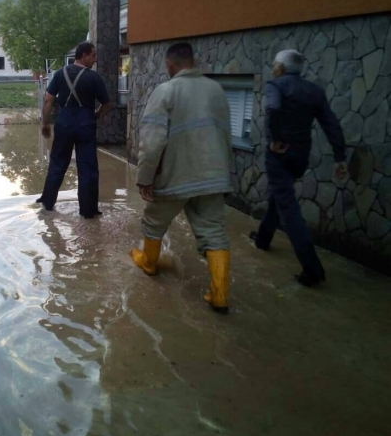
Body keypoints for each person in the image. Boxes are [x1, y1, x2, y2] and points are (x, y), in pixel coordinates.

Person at [130, 42, 233, 314]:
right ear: (193, 61)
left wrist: (145, 177)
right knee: (213, 231)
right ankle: (219, 294)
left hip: (176, 176)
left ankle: (149, 264)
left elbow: (152, 141)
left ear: (169, 64)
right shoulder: (217, 90)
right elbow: (225, 134)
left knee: (153, 221)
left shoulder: (166, 91)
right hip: (213, 176)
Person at [250, 49, 347, 287]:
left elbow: (272, 109)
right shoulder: (314, 91)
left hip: (279, 154)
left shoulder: (277, 86)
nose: (273, 68)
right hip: (300, 157)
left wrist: (274, 138)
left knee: (288, 206)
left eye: (274, 65)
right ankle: (263, 238)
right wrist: (340, 156)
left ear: (281, 68)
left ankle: (312, 268)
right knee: (279, 196)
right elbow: (330, 123)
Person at [36, 42, 112, 218]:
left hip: (63, 124)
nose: (94, 59)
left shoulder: (60, 74)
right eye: (93, 56)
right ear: (84, 55)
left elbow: (48, 100)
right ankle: (88, 211)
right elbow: (107, 104)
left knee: (57, 164)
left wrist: (45, 123)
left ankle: (47, 204)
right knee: (87, 169)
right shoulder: (93, 77)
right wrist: (96, 115)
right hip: (86, 125)